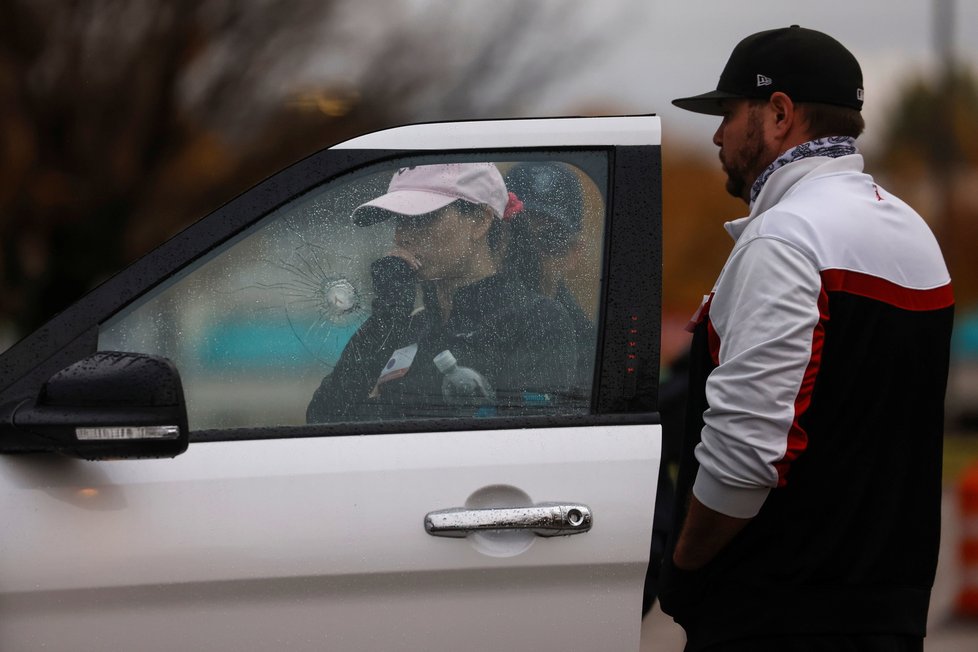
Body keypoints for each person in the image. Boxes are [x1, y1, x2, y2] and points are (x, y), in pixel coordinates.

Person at [659, 26, 955, 651]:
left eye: (728, 113)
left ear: (779, 114)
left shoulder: (787, 239)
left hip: (775, 617)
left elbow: (745, 455)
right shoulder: (913, 231)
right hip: (888, 615)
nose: (716, 135)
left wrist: (684, 568)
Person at [306, 162, 577, 423]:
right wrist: (386, 319)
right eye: (399, 221)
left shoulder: (536, 320)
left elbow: (527, 440)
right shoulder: (409, 326)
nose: (403, 237)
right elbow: (324, 419)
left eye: (422, 218)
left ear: (480, 221)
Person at [502, 162, 596, 393]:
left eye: (551, 237)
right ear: (495, 240)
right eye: (518, 235)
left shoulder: (594, 350)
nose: (530, 253)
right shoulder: (453, 321)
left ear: (574, 253)